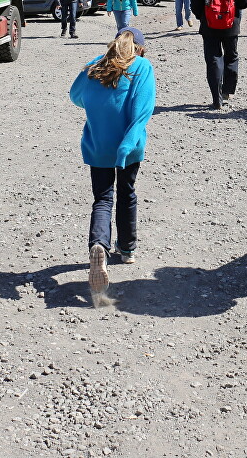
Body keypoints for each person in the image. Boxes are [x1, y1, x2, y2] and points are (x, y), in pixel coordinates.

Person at [69, 28, 156, 306]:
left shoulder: (96, 65)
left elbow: (75, 96)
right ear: (139, 48)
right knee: (127, 193)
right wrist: (127, 145)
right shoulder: (142, 67)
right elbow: (142, 111)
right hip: (127, 148)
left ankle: (99, 246)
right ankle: (127, 248)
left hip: (98, 145)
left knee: (103, 198)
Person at [190, 0, 247, 109]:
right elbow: (245, 2)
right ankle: (227, 91)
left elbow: (194, 2)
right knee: (231, 57)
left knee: (213, 59)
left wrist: (202, 17)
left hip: (210, 25)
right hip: (231, 24)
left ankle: (216, 99)